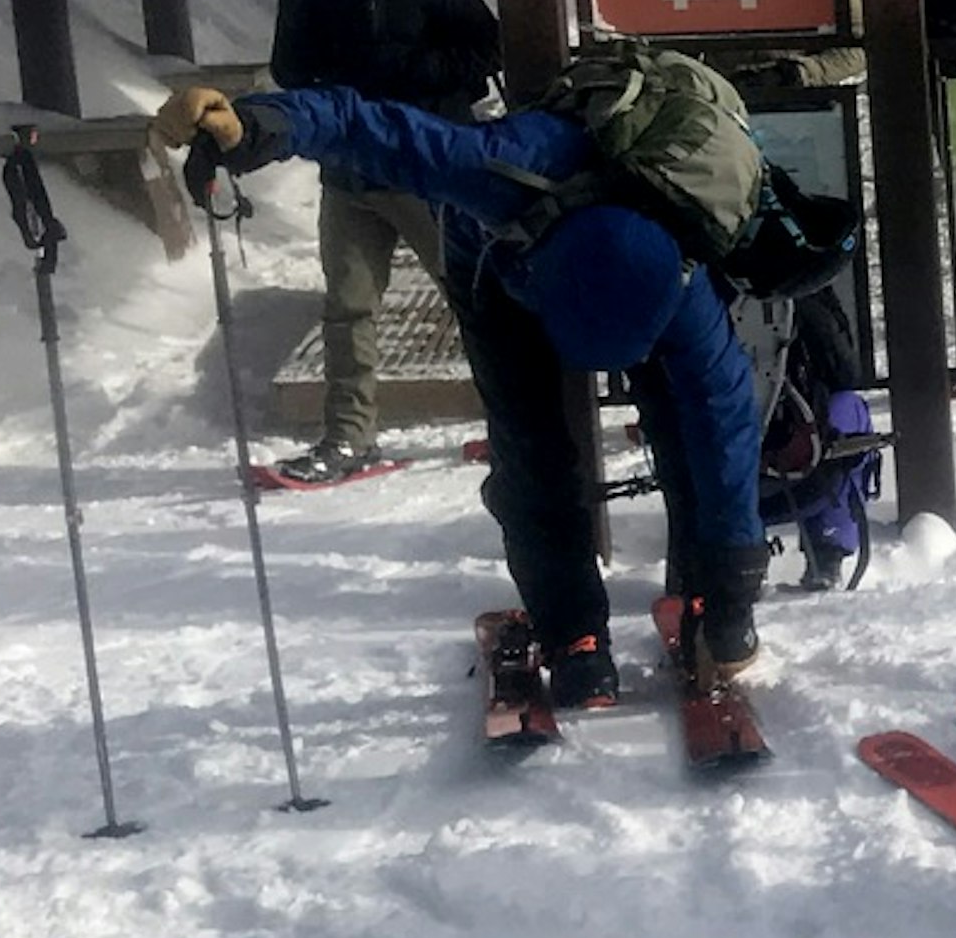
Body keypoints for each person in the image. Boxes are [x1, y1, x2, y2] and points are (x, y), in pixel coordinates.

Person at [149, 76, 770, 707]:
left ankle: (705, 603)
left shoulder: (691, 297)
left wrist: (734, 593)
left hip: (628, 282)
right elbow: (366, 125)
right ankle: (574, 633)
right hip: (499, 268)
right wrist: (255, 125)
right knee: (532, 453)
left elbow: (728, 437)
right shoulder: (496, 167)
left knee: (692, 434)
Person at [263, 0, 503, 484]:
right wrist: (305, 30)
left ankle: (519, 426)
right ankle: (348, 437)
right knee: (346, 306)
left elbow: (487, 48)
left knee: (476, 299)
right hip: (347, 169)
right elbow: (287, 69)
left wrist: (408, 70)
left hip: (428, 163)